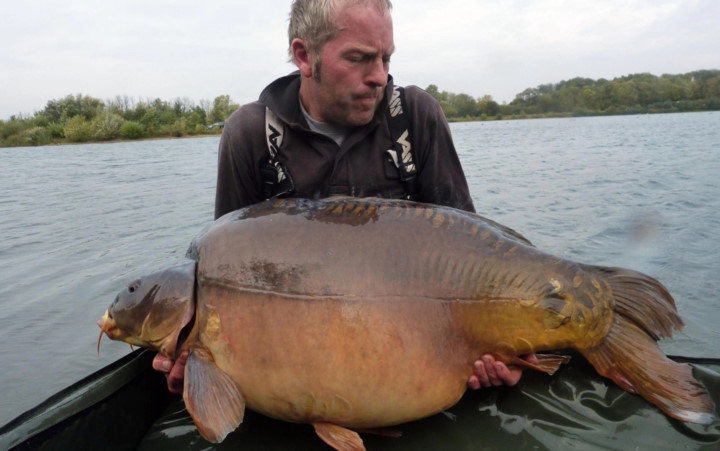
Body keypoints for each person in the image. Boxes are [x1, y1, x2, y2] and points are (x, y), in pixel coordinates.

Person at [153, 0, 534, 396]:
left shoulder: (416, 117)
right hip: (302, 363)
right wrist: (194, 354)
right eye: (359, 58)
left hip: (417, 350)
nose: (380, 77)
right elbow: (224, 277)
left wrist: (508, 346)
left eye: (386, 58)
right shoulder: (250, 135)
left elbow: (473, 260)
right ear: (305, 55)